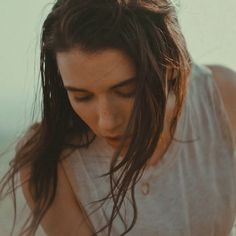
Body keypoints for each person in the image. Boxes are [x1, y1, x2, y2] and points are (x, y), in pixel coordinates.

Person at [1, 0, 236, 235]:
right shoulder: (48, 162)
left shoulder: (222, 99)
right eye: (82, 97)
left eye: (127, 92)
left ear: (172, 66)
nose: (107, 122)